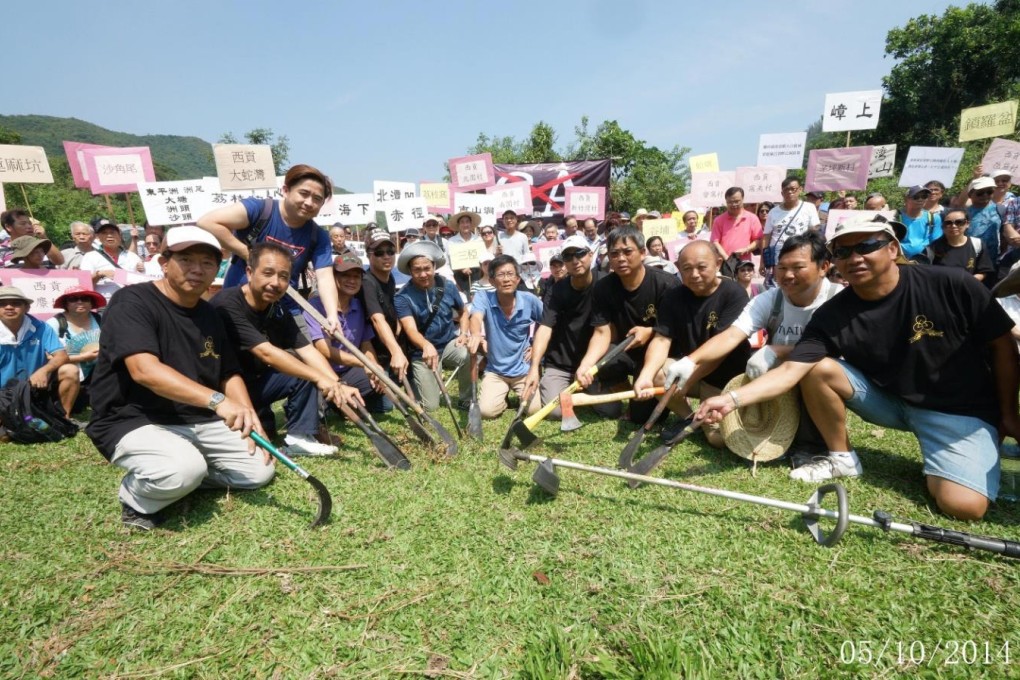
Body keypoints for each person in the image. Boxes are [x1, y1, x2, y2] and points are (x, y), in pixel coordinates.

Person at [695, 215, 1020, 521]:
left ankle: (967, 453)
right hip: (890, 401)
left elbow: (1003, 345)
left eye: (867, 246)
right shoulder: (832, 315)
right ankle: (843, 459)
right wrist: (731, 400)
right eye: (844, 251)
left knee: (961, 506)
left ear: (893, 249)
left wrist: (1008, 413)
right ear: (834, 261)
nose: (855, 257)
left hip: (957, 410)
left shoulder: (951, 284)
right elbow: (791, 370)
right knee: (818, 368)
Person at [86, 226, 276, 531]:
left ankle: (187, 475)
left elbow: (228, 372)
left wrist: (249, 416)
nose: (197, 269)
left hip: (196, 418)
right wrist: (218, 401)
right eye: (186, 259)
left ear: (217, 269)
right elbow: (144, 370)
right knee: (181, 471)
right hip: (133, 418)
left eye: (207, 262)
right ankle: (137, 497)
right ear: (164, 263)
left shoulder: (211, 314)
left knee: (258, 472)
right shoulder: (131, 301)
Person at [671, 232, 842, 461]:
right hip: (778, 381)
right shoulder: (771, 299)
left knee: (818, 368)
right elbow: (732, 335)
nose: (788, 275)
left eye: (798, 267)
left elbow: (836, 350)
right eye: (781, 268)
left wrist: (778, 350)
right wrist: (690, 361)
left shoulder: (838, 299)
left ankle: (821, 445)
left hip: (822, 378)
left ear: (824, 267)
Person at [212, 242, 359, 456]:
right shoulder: (227, 303)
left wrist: (336, 384)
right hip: (225, 390)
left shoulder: (277, 308)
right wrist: (320, 378)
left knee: (304, 371)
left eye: (283, 276)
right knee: (254, 443)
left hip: (257, 384)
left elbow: (307, 350)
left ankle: (299, 437)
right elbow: (266, 352)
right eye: (268, 273)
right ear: (250, 272)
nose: (275, 282)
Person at [633, 241, 751, 445]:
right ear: (678, 268)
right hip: (692, 371)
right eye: (687, 268)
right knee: (658, 374)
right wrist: (646, 375)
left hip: (726, 378)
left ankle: (708, 419)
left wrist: (686, 380)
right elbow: (661, 338)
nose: (694, 274)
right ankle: (690, 419)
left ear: (718, 263)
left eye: (701, 267)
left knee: (718, 440)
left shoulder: (734, 293)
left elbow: (720, 352)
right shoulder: (673, 296)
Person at [196, 164, 339, 330]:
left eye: (317, 199)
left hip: (284, 312)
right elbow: (206, 222)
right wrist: (248, 254)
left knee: (304, 354)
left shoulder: (318, 236)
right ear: (285, 190)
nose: (309, 202)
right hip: (238, 307)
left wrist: (332, 315)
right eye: (304, 194)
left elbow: (325, 277)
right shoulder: (259, 209)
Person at [576, 226, 679, 423]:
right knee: (601, 361)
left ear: (642, 253)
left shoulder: (667, 284)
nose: (621, 258)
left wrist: (650, 331)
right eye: (614, 253)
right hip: (626, 350)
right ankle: (623, 386)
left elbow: (669, 334)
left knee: (642, 417)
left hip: (659, 351)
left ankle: (651, 393)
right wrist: (587, 364)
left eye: (627, 251)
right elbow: (601, 333)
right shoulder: (603, 287)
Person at [526, 235, 611, 419]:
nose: (575, 260)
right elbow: (545, 327)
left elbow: (603, 331)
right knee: (555, 413)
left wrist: (588, 365)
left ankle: (588, 389)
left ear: (590, 254)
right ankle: (567, 391)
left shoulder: (606, 284)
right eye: (568, 257)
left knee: (611, 411)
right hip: (560, 364)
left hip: (592, 364)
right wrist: (534, 367)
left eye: (579, 254)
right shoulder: (556, 290)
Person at [305, 253, 388, 413]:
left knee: (384, 404)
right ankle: (331, 402)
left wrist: (374, 367)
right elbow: (324, 349)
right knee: (321, 408)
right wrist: (364, 363)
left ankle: (344, 402)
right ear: (333, 278)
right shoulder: (315, 307)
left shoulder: (358, 305)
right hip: (324, 372)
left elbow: (366, 344)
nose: (352, 280)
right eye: (346, 275)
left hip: (350, 371)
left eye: (356, 276)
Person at [393, 241, 471, 411]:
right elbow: (410, 330)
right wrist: (425, 345)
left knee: (467, 353)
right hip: (422, 352)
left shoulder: (447, 285)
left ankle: (466, 399)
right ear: (410, 271)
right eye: (417, 270)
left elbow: (463, 312)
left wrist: (464, 333)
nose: (423, 274)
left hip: (448, 344)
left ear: (434, 266)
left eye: (427, 268)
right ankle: (416, 384)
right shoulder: (402, 297)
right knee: (431, 407)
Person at [468, 255, 543, 419]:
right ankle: (502, 398)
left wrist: (535, 345)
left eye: (511, 274)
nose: (507, 279)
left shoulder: (530, 300)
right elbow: (475, 317)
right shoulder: (483, 297)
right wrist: (475, 334)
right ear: (492, 281)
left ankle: (518, 392)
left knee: (534, 410)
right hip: (496, 371)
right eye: (501, 275)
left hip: (524, 371)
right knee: (486, 412)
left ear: (518, 279)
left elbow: (547, 325)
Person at [0, 285, 74, 417]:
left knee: (70, 370)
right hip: (3, 392)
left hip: (35, 386)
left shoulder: (42, 327)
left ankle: (64, 417)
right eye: (2, 304)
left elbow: (62, 356)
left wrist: (43, 371)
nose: (9, 307)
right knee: (5, 434)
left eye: (16, 303)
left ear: (27, 308)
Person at [360, 230, 410, 383]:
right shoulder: (367, 282)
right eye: (379, 252)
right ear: (369, 255)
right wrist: (396, 351)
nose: (386, 256)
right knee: (384, 402)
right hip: (371, 349)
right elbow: (377, 320)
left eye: (390, 251)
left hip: (388, 345)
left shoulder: (390, 277)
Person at [47, 286, 104, 416]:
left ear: (91, 303)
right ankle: (64, 415)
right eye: (73, 299)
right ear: (66, 304)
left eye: (85, 299)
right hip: (65, 372)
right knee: (70, 370)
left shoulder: (100, 319)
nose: (80, 302)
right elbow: (49, 357)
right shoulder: (55, 323)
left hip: (96, 372)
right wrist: (82, 357)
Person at [761, 178, 821, 286]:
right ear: (782, 193)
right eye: (786, 190)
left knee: (800, 283)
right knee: (778, 285)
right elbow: (766, 238)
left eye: (793, 189)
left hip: (801, 253)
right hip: (777, 257)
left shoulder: (809, 208)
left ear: (800, 190)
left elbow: (814, 233)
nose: (789, 192)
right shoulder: (773, 212)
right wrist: (762, 261)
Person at [79, 221, 144, 301]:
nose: (109, 235)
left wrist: (142, 269)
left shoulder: (132, 256)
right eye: (104, 233)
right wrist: (99, 274)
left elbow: (143, 281)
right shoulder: (90, 256)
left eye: (112, 232)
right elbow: (83, 284)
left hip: (130, 303)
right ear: (98, 237)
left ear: (119, 235)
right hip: (103, 306)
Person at [924, 207, 994, 282]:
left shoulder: (977, 244)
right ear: (943, 226)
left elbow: (983, 271)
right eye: (948, 223)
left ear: (967, 224)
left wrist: (967, 282)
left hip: (968, 289)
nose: (953, 226)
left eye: (959, 222)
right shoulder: (932, 248)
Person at [955, 177, 1004, 267]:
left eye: (989, 192)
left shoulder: (1000, 209)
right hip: (968, 258)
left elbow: (1003, 234)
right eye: (980, 193)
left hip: (991, 260)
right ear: (970, 194)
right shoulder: (963, 213)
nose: (985, 195)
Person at [711, 187, 762, 262]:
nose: (734, 204)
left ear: (743, 199)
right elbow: (715, 242)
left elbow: (758, 240)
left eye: (737, 201)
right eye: (730, 202)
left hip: (744, 264)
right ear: (726, 201)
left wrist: (746, 249)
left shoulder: (752, 218)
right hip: (724, 263)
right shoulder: (719, 220)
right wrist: (726, 258)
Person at [1, 210, 65, 267]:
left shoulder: (42, 245)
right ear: (8, 227)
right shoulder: (1, 250)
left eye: (30, 223)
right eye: (23, 224)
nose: (29, 226)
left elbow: (59, 261)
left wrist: (44, 237)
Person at [897, 185, 943, 261]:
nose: (920, 199)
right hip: (900, 259)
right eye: (916, 197)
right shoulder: (896, 216)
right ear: (906, 199)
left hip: (924, 261)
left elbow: (935, 241)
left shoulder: (934, 218)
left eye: (924, 196)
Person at [446, 210, 483, 295]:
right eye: (462, 222)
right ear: (458, 225)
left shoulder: (478, 239)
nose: (465, 225)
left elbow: (483, 258)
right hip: (459, 277)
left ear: (471, 223)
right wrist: (462, 268)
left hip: (477, 275)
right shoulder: (452, 241)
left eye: (467, 222)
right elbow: (449, 261)